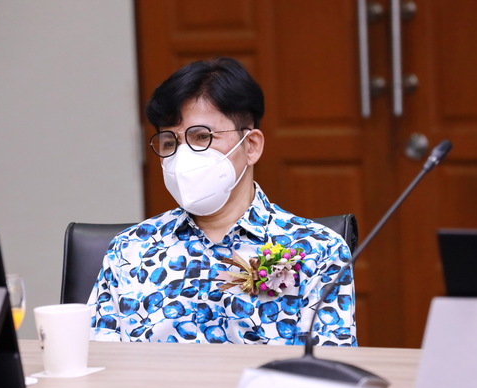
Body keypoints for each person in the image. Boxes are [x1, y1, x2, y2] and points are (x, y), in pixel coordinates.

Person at [87, 57, 356, 346]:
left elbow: (329, 366)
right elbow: (97, 357)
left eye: (202, 137)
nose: (183, 156)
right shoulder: (131, 249)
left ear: (251, 146)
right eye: (170, 142)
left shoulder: (317, 249)